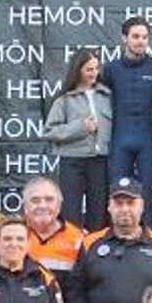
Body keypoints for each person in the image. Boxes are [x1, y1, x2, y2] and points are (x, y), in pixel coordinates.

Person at [102, 16, 152, 225]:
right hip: (120, 139)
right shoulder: (111, 69)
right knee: (118, 191)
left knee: (147, 192)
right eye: (135, 36)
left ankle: (147, 238)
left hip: (148, 140)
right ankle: (116, 237)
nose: (141, 41)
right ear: (124, 38)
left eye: (144, 37)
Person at [45, 48, 112, 231]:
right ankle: (70, 250)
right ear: (78, 70)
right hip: (72, 160)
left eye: (96, 69)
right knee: (70, 211)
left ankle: (95, 249)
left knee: (99, 210)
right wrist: (80, 128)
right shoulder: (64, 100)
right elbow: (50, 131)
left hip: (99, 159)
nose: (94, 73)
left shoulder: (107, 96)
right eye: (89, 69)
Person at [23, 176, 84, 284]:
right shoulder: (10, 236)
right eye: (35, 200)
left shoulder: (78, 239)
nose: (42, 206)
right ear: (25, 207)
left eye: (49, 199)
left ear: (59, 205)